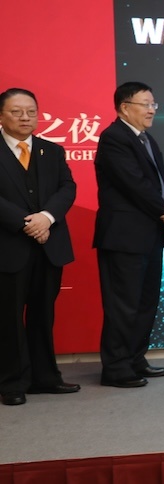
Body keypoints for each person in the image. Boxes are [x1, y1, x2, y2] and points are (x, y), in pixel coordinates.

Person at [94, 82, 164, 387]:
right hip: (124, 237)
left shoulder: (146, 139)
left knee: (145, 302)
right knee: (123, 304)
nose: (151, 110)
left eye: (153, 104)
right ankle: (116, 368)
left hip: (149, 234)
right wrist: (163, 208)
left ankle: (134, 359)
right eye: (145, 104)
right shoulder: (114, 138)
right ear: (124, 107)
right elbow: (133, 184)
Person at [0, 88, 80, 406]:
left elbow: (67, 188)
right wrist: (27, 223)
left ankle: (45, 377)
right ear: (1, 116)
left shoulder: (52, 150)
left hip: (49, 245)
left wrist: (46, 218)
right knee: (8, 318)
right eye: (17, 111)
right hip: (9, 246)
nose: (25, 118)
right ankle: (11, 382)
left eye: (31, 112)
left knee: (43, 314)